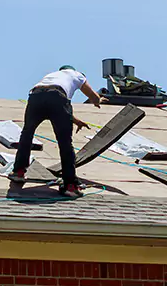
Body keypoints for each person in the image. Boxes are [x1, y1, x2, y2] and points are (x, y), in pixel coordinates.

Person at [9, 65, 102, 197]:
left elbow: (51, 102)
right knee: (65, 142)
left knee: (27, 133)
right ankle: (70, 185)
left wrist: (76, 121)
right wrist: (98, 100)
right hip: (57, 97)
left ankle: (18, 172)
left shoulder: (52, 76)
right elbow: (92, 97)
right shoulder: (77, 75)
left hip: (36, 95)